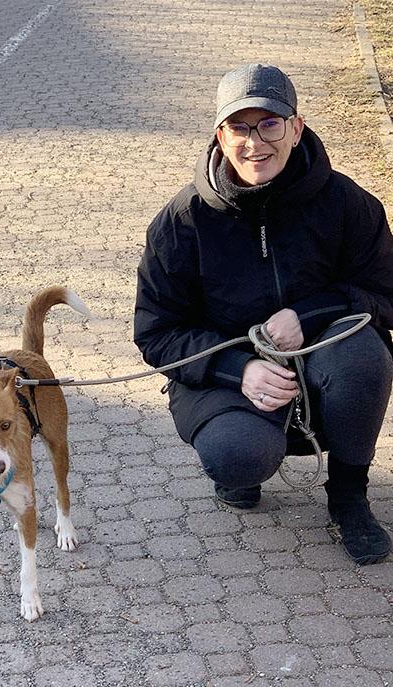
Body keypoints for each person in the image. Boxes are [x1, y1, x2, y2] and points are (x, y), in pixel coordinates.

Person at [134, 63, 393, 565]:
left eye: (270, 124)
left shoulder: (348, 204)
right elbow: (157, 333)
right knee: (238, 455)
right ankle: (245, 467)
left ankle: (348, 497)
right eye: (240, 127)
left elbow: (386, 292)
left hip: (323, 358)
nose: (255, 142)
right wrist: (240, 370)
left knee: (364, 358)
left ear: (296, 128)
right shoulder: (180, 223)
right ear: (220, 135)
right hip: (224, 376)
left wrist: (310, 312)